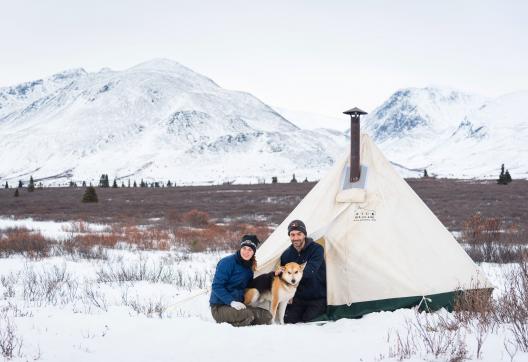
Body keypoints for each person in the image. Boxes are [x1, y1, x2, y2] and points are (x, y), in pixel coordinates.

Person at [210, 234, 272, 326]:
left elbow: (248, 286)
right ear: (240, 248)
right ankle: (233, 327)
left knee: (267, 316)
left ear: (253, 252)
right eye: (244, 248)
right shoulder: (227, 262)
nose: (246, 252)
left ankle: (244, 320)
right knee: (248, 315)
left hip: (238, 305)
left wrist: (270, 277)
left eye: (250, 250)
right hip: (220, 306)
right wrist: (231, 301)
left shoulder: (249, 268)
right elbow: (217, 286)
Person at [280, 219, 327, 323]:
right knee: (288, 319)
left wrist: (292, 275)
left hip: (316, 296)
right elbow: (284, 278)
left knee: (309, 319)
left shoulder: (316, 249)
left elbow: (310, 271)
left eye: (299, 234)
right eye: (292, 235)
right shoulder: (286, 255)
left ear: (304, 234)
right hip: (298, 297)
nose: (295, 238)